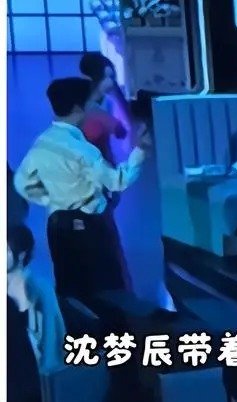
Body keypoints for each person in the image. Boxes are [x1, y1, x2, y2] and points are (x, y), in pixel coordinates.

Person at [13, 77, 151, 305]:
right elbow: (118, 181)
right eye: (90, 104)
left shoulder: (42, 142)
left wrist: (49, 198)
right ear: (79, 108)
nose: (93, 108)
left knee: (69, 290)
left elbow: (22, 182)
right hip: (88, 228)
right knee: (106, 290)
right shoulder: (82, 150)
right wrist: (140, 151)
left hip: (56, 225)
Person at [7, 225, 66, 375]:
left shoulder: (41, 289)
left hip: (36, 372)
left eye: (5, 251)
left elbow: (52, 336)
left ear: (21, 254)